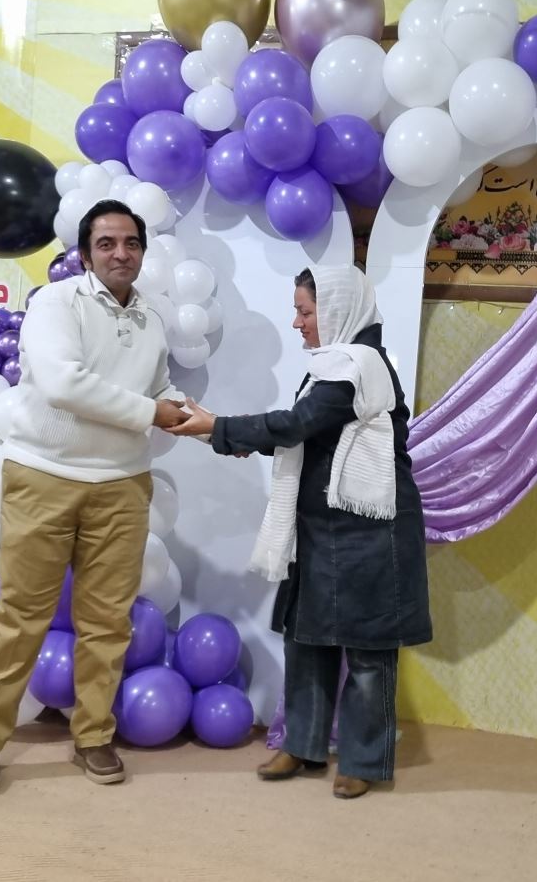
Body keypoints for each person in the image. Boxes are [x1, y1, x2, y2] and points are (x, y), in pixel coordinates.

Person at [168, 265, 430, 799]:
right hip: (320, 526)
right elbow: (299, 433)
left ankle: (363, 760)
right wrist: (225, 431)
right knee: (306, 639)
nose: (297, 322)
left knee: (368, 651)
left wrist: (219, 428)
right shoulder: (334, 365)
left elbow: (295, 425)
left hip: (370, 533)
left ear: (336, 310)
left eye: (305, 311)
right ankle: (304, 745)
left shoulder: (358, 366)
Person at [0, 199, 189, 795]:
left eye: (131, 243)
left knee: (108, 621)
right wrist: (152, 412)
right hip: (45, 475)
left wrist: (207, 423)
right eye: (106, 243)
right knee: (20, 616)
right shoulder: (56, 304)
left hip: (122, 485)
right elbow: (63, 384)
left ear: (143, 252)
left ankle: (93, 737)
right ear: (86, 254)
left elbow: (160, 387)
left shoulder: (151, 317)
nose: (120, 253)